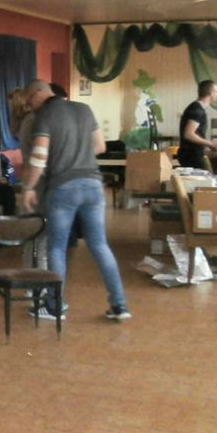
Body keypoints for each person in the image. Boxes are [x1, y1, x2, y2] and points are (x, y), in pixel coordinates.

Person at [21, 79, 131, 322]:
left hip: (63, 187)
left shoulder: (45, 115)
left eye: (29, 101)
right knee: (99, 245)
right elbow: (100, 146)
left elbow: (39, 156)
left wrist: (29, 187)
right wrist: (76, 154)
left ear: (38, 93)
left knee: (56, 248)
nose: (29, 107)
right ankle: (119, 305)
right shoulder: (84, 109)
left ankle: (54, 306)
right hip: (93, 185)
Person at [176, 80, 217, 170]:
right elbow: (188, 134)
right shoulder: (197, 110)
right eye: (216, 92)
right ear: (211, 93)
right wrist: (211, 144)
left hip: (191, 154)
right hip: (191, 155)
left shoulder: (196, 108)